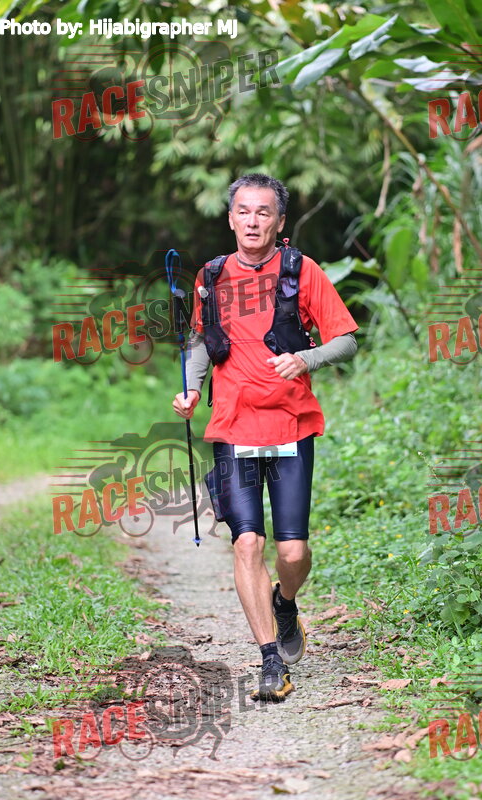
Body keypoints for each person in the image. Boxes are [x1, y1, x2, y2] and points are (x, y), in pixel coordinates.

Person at [172, 174, 358, 701]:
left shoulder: (302, 270)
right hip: (233, 426)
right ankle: (270, 661)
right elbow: (201, 342)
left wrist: (306, 358)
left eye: (263, 212)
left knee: (293, 552)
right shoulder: (212, 276)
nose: (252, 221)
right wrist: (191, 389)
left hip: (291, 424)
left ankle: (285, 603)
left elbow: (346, 340)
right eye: (244, 211)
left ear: (279, 222)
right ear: (231, 218)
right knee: (247, 541)